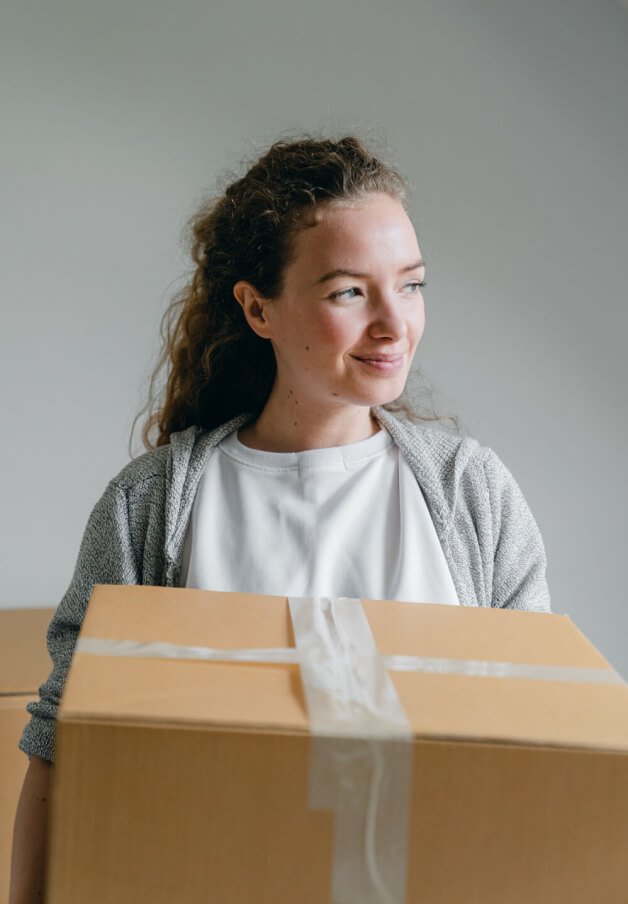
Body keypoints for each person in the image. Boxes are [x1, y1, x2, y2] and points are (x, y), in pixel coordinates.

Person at [9, 134, 551, 902]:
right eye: (348, 293)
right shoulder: (153, 506)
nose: (394, 325)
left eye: (412, 284)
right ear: (257, 308)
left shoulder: (473, 495)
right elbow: (61, 749)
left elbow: (543, 743)